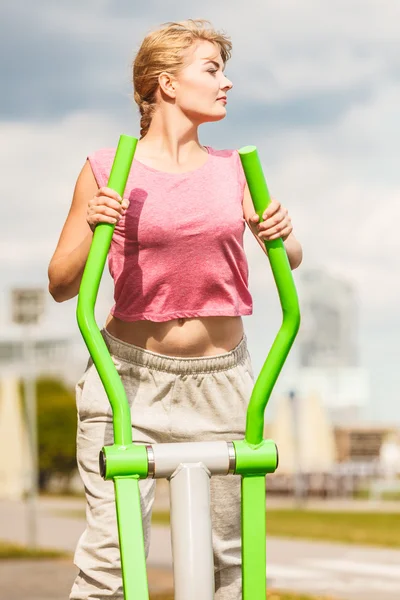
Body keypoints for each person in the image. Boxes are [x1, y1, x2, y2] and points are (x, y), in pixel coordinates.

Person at [48, 18, 302, 600]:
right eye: (212, 70)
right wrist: (96, 226)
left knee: (233, 570)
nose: (227, 83)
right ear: (165, 82)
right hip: (127, 383)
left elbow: (291, 256)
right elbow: (62, 283)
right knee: (109, 568)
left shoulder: (235, 168)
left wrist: (284, 232)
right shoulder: (106, 168)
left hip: (221, 384)